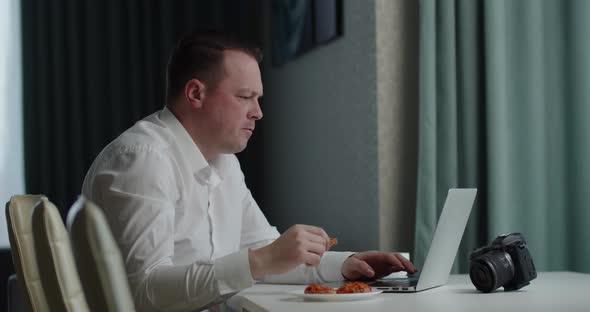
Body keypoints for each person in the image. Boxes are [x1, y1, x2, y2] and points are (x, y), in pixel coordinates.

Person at [82, 31, 416, 312]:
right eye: (245, 97)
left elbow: (266, 252)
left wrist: (348, 266)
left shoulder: (224, 162)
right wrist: (261, 259)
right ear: (196, 93)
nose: (257, 113)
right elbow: (142, 292)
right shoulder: (142, 159)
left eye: (258, 98)